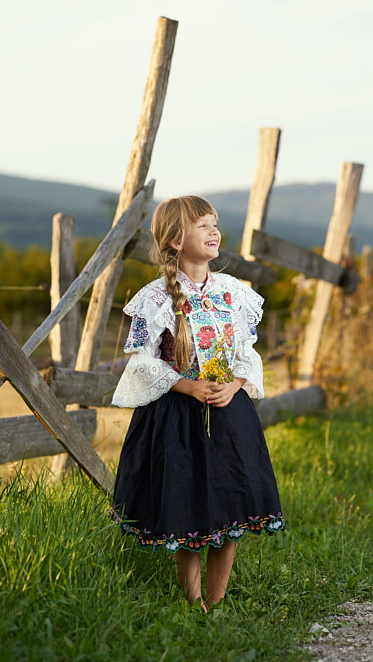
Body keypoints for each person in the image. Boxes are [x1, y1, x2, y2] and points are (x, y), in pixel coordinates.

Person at [110, 195, 284, 610]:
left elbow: (247, 353)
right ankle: (192, 606)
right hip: (177, 418)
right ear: (174, 239)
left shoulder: (233, 294)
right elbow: (140, 362)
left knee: (230, 501)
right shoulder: (152, 300)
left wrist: (236, 382)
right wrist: (186, 386)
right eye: (202, 225)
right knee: (186, 505)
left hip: (229, 412)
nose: (214, 231)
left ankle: (217, 602)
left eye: (215, 223)